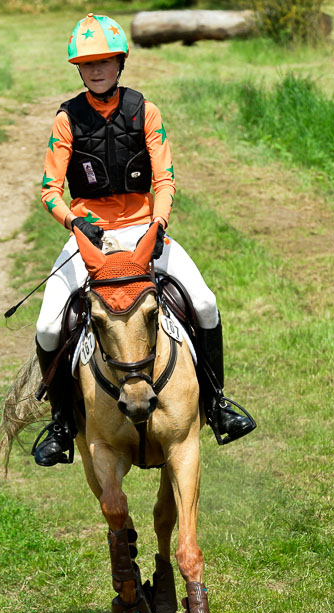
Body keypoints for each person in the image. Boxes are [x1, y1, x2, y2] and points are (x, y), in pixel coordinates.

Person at [33, 13, 255, 466]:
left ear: (120, 62)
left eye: (105, 62)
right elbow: (49, 190)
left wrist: (157, 224)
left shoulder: (145, 111)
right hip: (88, 236)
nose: (97, 71)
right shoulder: (66, 120)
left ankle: (215, 405)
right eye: (87, 64)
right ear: (78, 69)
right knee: (49, 327)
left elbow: (166, 180)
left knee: (206, 303)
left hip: (144, 229)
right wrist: (73, 224)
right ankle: (60, 421)